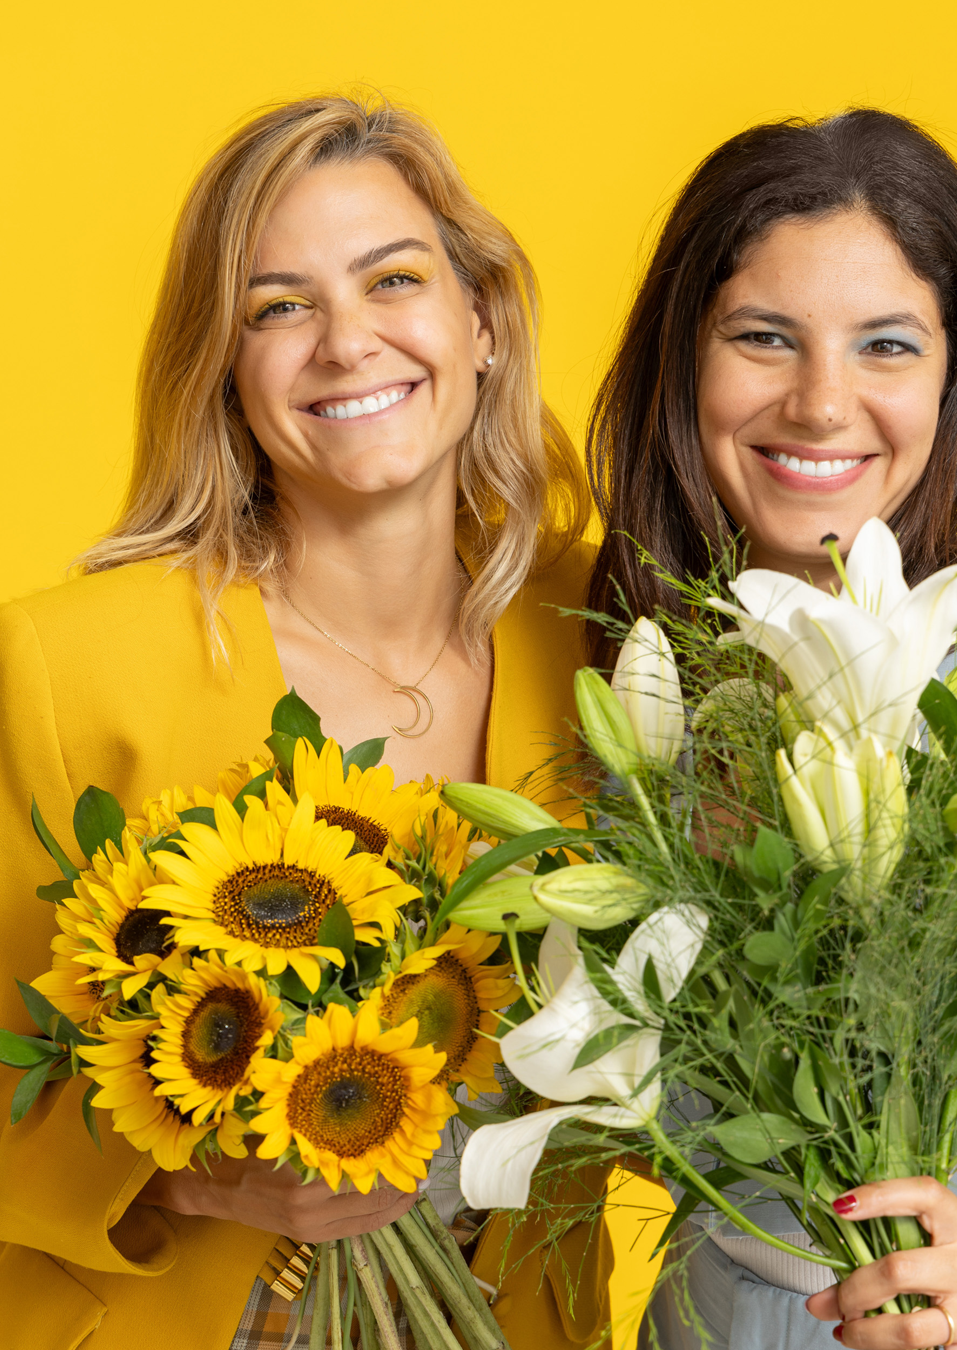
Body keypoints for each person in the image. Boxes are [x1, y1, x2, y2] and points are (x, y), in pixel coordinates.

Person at [0, 93, 610, 1350]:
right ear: (224, 371)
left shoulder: (606, 637)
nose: (347, 342)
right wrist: (194, 1171)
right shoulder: (67, 666)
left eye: (394, 280)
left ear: (483, 321)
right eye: (279, 307)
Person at [585, 109, 957, 1349]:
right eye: (763, 337)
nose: (820, 403)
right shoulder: (655, 686)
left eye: (887, 345)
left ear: (954, 377)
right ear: (684, 362)